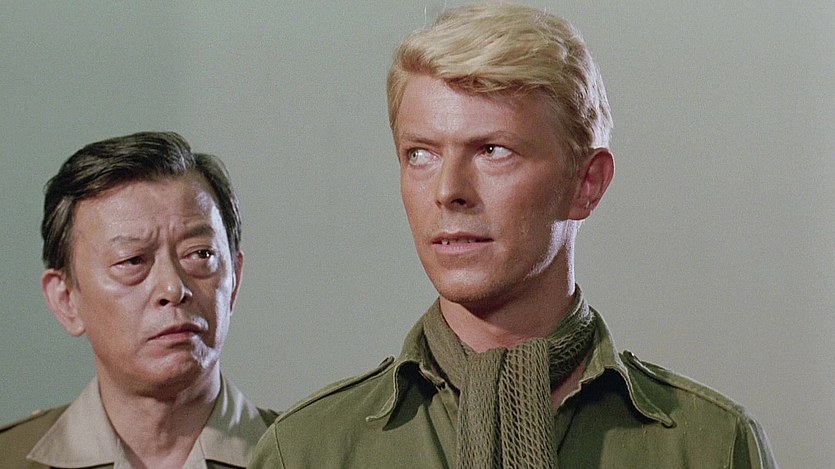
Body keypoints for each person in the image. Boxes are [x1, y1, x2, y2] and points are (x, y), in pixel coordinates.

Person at [250, 3, 777, 468]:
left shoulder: (710, 446)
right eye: (420, 154)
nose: (448, 191)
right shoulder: (306, 452)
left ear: (586, 184)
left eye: (493, 150)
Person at [0, 131, 277, 468]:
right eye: (132, 261)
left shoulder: (307, 454)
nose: (173, 289)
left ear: (234, 280)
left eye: (200, 254)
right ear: (66, 300)